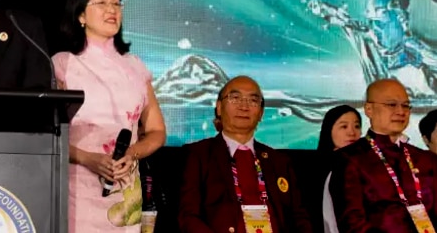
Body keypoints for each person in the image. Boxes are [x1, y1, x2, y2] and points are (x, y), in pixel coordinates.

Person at [51, 0, 166, 232]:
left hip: (124, 192)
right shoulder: (63, 64)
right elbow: (48, 134)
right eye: (101, 3)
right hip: (76, 191)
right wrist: (86, 158)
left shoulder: (135, 66)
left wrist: (132, 152)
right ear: (80, 15)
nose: (112, 10)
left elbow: (157, 131)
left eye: (116, 3)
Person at [178, 75, 313, 233]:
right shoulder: (197, 155)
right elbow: (188, 216)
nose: (244, 106)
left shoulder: (280, 161)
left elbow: (299, 218)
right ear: (219, 107)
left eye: (253, 100)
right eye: (235, 98)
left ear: (261, 113)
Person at [329, 78, 437, 232]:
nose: (401, 111)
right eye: (391, 105)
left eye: (405, 106)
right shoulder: (349, 159)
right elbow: (352, 224)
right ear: (369, 109)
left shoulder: (427, 159)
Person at [315, 105, 362, 233]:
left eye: (357, 126)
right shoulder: (313, 169)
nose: (352, 132)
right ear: (328, 129)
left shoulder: (367, 167)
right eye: (344, 126)